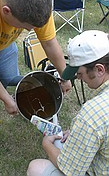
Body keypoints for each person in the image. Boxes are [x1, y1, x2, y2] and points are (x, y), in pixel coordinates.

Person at [0, 0, 71, 175]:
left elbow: (49, 42)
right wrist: (4, 99)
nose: (30, 31)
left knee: (11, 81)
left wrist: (65, 73)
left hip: (3, 46)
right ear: (6, 11)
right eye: (27, 27)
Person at [27, 30, 109, 176]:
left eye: (79, 73)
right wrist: (83, 134)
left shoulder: (92, 114)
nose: (78, 78)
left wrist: (46, 144)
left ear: (99, 69)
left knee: (36, 168)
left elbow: (70, 170)